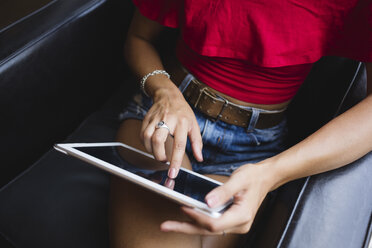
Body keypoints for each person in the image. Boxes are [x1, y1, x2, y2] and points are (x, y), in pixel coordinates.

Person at [109, 0, 372, 247]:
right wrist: (164, 92)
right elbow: (138, 39)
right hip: (167, 124)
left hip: (254, 155)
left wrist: (270, 175)